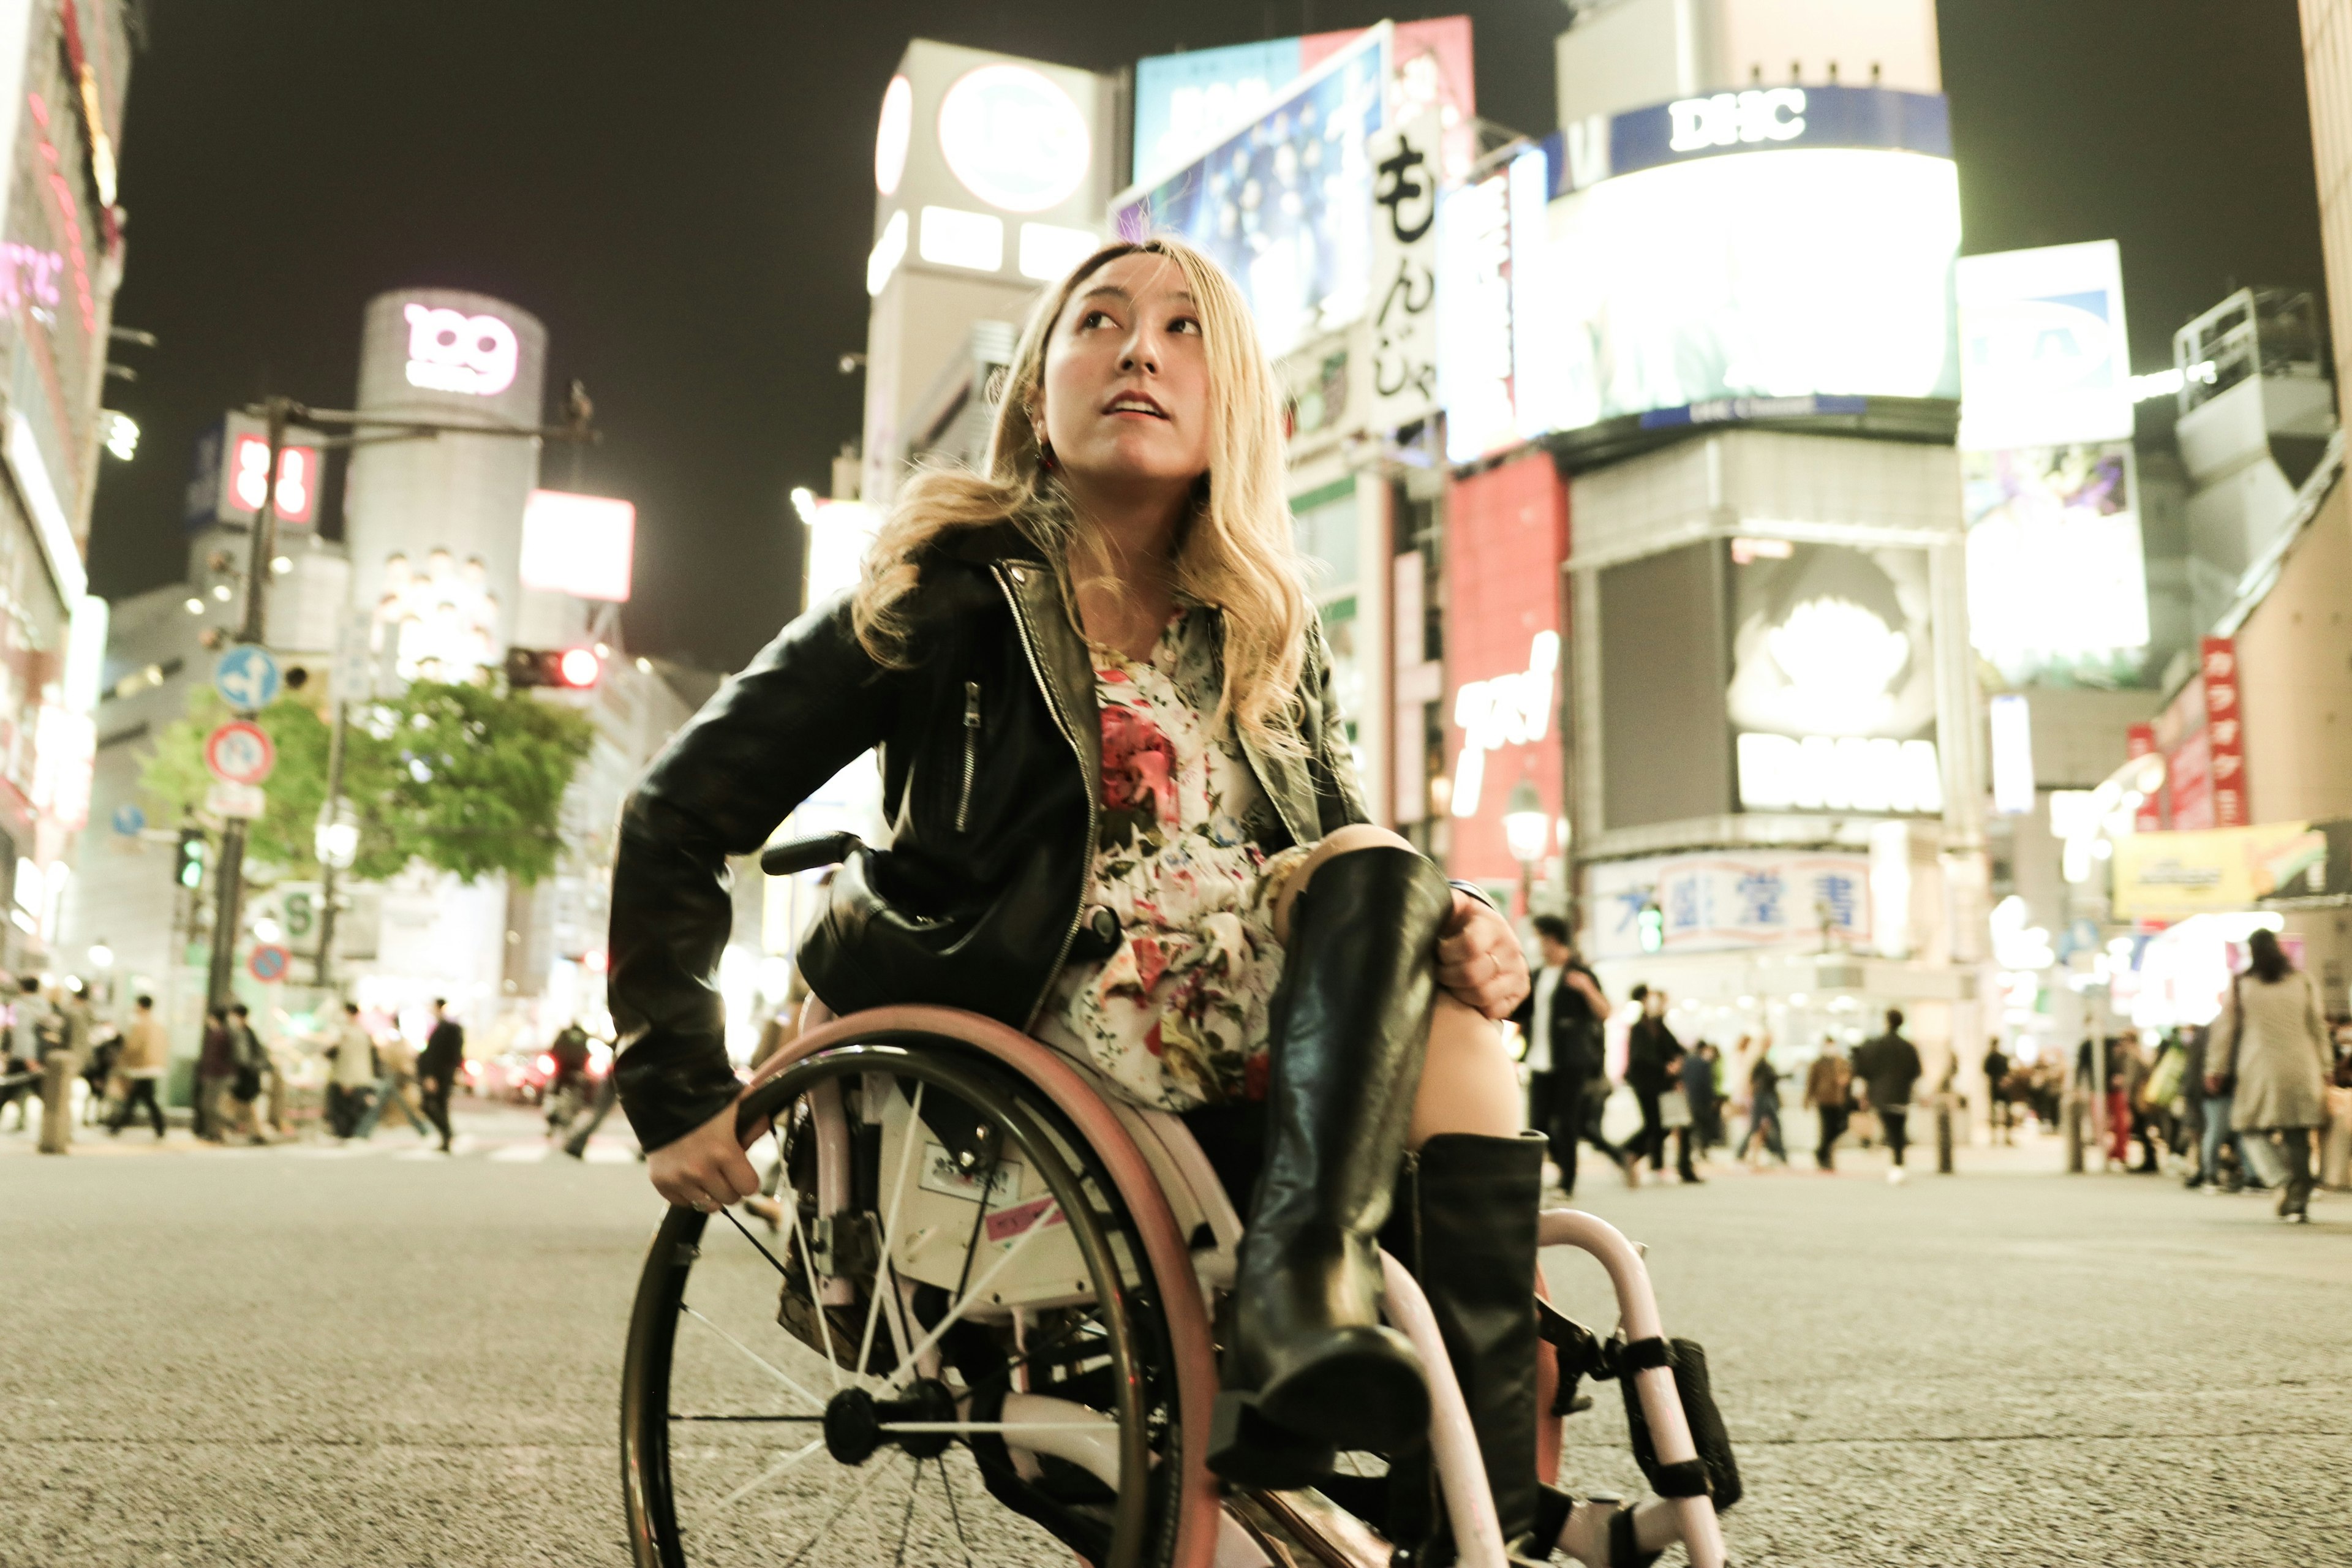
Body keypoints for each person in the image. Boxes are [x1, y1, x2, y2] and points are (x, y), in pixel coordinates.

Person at [605, 238, 1562, 1547]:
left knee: (1459, 1005)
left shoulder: (1268, 619)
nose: (1137, 350)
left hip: (1258, 1015)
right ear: (1037, 393)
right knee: (1397, 918)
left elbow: (1350, 846)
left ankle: (1473, 1505)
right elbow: (676, 811)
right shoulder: (945, 591)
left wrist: (1472, 923)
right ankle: (1312, 1319)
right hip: (1036, 1004)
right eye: (1098, 322)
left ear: (1230, 398)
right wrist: (675, 1081)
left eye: (1182, 332)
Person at [2206, 928, 2332, 1223]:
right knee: (2297, 1133)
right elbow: (2318, 1027)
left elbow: (2224, 1031)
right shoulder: (2302, 981)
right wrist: (2326, 1067)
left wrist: (2216, 1068)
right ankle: (2299, 1199)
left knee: (2248, 1127)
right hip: (2303, 1067)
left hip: (2259, 1067)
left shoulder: (2242, 984)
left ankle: (2282, 1179)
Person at [1509, 915, 1633, 1196]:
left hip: (1571, 1061)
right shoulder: (1537, 974)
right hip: (1539, 1060)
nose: (1538, 944)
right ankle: (1546, 1176)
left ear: (1552, 938)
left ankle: (1567, 1182)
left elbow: (1606, 1012)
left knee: (1567, 1123)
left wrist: (1586, 988)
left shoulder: (1579, 973)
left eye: (1540, 937)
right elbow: (1526, 1016)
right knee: (1538, 1124)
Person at [1626, 986, 1694, 1183]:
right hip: (1646, 1085)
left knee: (1660, 1126)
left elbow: (1677, 1049)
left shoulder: (1659, 1026)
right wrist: (1666, 1068)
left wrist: (1677, 1063)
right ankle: (1629, 1152)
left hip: (1661, 1085)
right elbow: (1640, 1058)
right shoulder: (1640, 1027)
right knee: (1654, 1125)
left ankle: (1642, 1159)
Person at [1851, 1008, 1923, 1183]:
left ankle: (1896, 1164)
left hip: (1881, 1096)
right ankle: (1898, 1163)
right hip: (1901, 1096)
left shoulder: (1875, 1046)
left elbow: (1862, 1070)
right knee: (1898, 1129)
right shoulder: (1908, 1047)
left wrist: (1862, 1094)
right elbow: (1916, 1072)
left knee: (1892, 1129)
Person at [107, 995, 168, 1139]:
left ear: (140, 1006)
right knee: (143, 1099)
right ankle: (119, 1126)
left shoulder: (140, 1024)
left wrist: (122, 1060)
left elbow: (133, 1047)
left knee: (142, 1099)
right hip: (153, 1067)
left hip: (143, 1067)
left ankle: (119, 1126)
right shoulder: (157, 1024)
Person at [321, 1002, 377, 1139]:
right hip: (362, 1078)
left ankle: (345, 1135)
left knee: (343, 1110)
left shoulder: (346, 1033)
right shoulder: (364, 1033)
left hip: (346, 1078)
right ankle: (355, 1134)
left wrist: (347, 1082)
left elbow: (346, 1058)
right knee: (357, 1109)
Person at [417, 998, 462, 1153]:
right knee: (439, 1106)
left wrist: (431, 1075)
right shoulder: (441, 1027)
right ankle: (447, 1137)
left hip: (440, 1075)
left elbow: (441, 1055)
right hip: (441, 1074)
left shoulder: (448, 1028)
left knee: (431, 1105)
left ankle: (448, 1134)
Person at [1804, 1038, 1852, 1172]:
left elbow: (1848, 1077)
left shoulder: (1840, 1062)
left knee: (1841, 1127)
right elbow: (1811, 1082)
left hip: (1839, 1101)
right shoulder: (1818, 1063)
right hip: (1824, 1100)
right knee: (1826, 1130)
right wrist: (1807, 1100)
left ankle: (1821, 1151)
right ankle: (1826, 1158)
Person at [543, 1019, 592, 1136]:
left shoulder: (565, 1034)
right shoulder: (583, 1036)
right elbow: (586, 1054)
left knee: (554, 1095)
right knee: (576, 1097)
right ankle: (567, 1122)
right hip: (575, 1071)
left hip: (561, 1070)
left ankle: (554, 1121)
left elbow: (554, 1049)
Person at [1740, 1042, 1786, 1165]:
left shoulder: (1763, 1062)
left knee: (1761, 1126)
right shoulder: (1761, 1062)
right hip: (1762, 1096)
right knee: (1763, 1126)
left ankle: (1780, 1154)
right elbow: (1768, 1078)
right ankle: (1780, 1154)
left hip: (1764, 1096)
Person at [1983, 1038, 2012, 1145]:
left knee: (2002, 1112)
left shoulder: (1994, 1058)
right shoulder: (1995, 1058)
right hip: (1997, 1087)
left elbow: (1986, 1072)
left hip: (1997, 1087)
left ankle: (2002, 1137)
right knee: (1998, 1112)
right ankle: (1998, 1137)